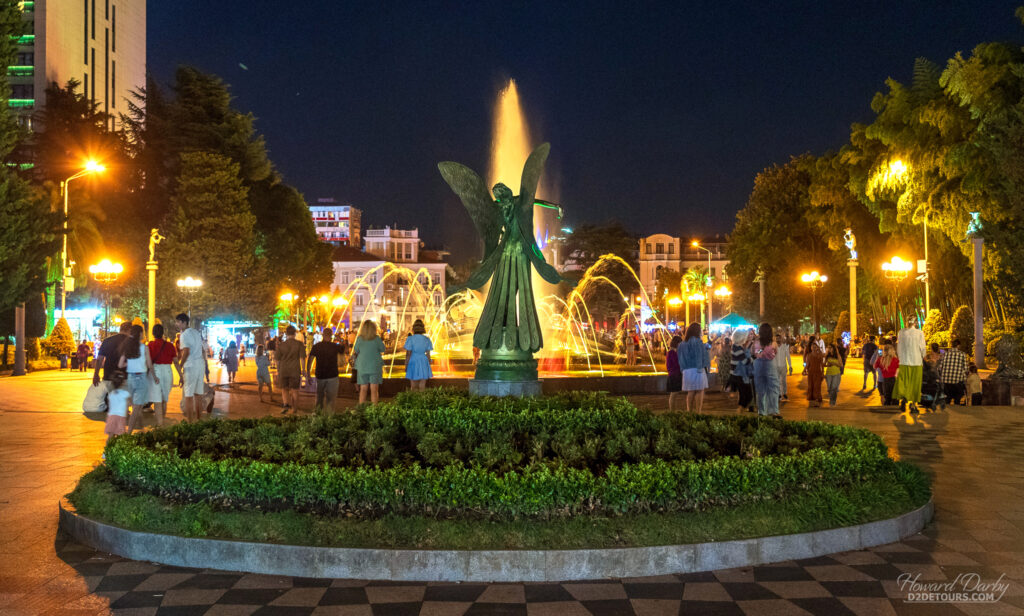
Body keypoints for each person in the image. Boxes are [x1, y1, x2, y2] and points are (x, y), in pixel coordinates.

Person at [118, 324, 156, 433]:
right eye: (142, 332)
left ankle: (141, 426)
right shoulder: (144, 347)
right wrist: (154, 376)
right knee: (136, 407)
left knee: (137, 406)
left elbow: (120, 365)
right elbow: (149, 364)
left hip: (130, 378)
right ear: (139, 334)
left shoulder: (128, 347)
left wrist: (130, 363)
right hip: (141, 378)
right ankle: (128, 432)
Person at [174, 313, 206, 423]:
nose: (176, 324)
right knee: (198, 394)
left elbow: (186, 352)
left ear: (183, 322)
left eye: (178, 322)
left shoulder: (183, 335)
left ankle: (190, 422)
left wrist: (180, 365)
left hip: (191, 366)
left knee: (188, 395)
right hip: (200, 364)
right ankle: (199, 418)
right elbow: (202, 349)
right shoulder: (196, 332)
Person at [893, 315, 926, 413]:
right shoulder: (919, 333)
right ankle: (913, 405)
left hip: (904, 361)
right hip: (916, 362)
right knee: (915, 384)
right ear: (915, 323)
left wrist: (900, 357)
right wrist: (924, 357)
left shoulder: (901, 332)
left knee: (904, 383)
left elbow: (899, 347)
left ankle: (903, 399)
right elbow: (923, 348)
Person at [306, 327, 343, 413]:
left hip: (320, 376)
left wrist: (308, 373)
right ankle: (329, 418)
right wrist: (340, 340)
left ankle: (318, 416)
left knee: (319, 398)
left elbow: (310, 360)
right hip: (332, 375)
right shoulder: (334, 346)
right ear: (331, 335)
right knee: (331, 399)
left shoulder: (317, 346)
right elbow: (343, 350)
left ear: (323, 335)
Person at [147, 324, 176, 427]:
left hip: (155, 370)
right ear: (163, 333)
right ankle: (162, 419)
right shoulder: (170, 345)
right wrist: (181, 375)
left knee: (157, 399)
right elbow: (176, 362)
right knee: (164, 399)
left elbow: (148, 362)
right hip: (167, 371)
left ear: (153, 333)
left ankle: (159, 423)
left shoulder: (150, 345)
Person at [678, 323, 710, 412]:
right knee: (699, 391)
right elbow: (701, 355)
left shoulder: (681, 344)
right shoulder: (698, 342)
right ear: (697, 331)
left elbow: (680, 358)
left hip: (686, 370)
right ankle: (698, 412)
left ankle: (689, 412)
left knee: (690, 392)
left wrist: (683, 369)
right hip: (697, 369)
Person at [352, 320, 386, 404]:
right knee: (374, 389)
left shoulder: (360, 339)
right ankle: (374, 411)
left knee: (363, 389)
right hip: (375, 366)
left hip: (362, 366)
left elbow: (356, 350)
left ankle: (361, 410)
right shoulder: (377, 338)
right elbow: (383, 349)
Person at [276, 325, 306, 414]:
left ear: (286, 333)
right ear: (294, 333)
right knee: (295, 390)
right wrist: (303, 370)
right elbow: (302, 359)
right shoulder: (299, 344)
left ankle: (285, 405)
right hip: (295, 370)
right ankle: (294, 408)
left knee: (284, 389)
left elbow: (277, 360)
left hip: (283, 370)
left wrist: (278, 370)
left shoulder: (281, 345)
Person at [752, 323, 781, 416]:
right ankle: (773, 410)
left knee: (760, 389)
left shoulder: (756, 343)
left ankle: (761, 411)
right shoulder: (773, 343)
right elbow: (775, 353)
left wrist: (761, 352)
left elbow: (753, 353)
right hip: (770, 365)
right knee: (773, 388)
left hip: (758, 365)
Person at [92, 321, 131, 388]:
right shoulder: (131, 342)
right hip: (125, 377)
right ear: (130, 330)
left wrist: (96, 374)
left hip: (109, 376)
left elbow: (99, 359)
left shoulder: (107, 340)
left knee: (110, 396)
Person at [938, 339, 970, 409]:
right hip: (957, 382)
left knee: (947, 398)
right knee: (957, 399)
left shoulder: (944, 354)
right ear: (958, 346)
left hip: (945, 382)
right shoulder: (962, 355)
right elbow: (966, 369)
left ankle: (947, 408)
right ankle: (956, 407)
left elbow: (940, 367)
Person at [404, 319, 434, 391]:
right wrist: (429, 362)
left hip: (413, 360)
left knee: (413, 384)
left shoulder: (410, 339)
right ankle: (421, 400)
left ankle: (414, 399)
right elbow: (428, 354)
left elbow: (408, 354)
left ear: (414, 328)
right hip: (423, 360)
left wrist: (406, 364)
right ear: (422, 328)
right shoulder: (427, 339)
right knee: (422, 384)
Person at [730, 330, 755, 413]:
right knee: (748, 395)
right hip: (739, 375)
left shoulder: (736, 346)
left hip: (737, 375)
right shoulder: (738, 348)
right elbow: (745, 361)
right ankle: (739, 411)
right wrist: (754, 357)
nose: (746, 337)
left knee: (743, 395)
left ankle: (740, 412)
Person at [104, 371, 131, 446]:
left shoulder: (111, 394)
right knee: (121, 435)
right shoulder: (125, 394)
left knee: (111, 436)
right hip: (120, 417)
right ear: (123, 383)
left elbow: (109, 405)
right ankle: (120, 451)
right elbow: (130, 403)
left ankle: (106, 452)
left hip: (111, 417)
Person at [804, 335, 825, 407]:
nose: (813, 347)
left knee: (817, 386)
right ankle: (811, 397)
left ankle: (817, 397)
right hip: (810, 371)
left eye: (815, 346)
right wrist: (804, 368)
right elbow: (806, 362)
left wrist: (823, 372)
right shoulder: (808, 353)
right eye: (812, 346)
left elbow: (822, 364)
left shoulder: (819, 354)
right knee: (811, 385)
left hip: (817, 372)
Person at [666, 335, 683, 411]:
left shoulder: (672, 352)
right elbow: (676, 364)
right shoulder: (672, 352)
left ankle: (673, 410)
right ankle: (672, 411)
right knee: (673, 394)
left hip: (673, 375)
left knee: (674, 394)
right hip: (674, 376)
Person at [774, 334, 792, 402]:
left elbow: (788, 357)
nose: (778, 340)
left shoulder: (785, 347)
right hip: (776, 366)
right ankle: (779, 394)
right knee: (778, 381)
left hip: (783, 366)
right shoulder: (774, 347)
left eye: (779, 338)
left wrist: (790, 366)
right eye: (777, 338)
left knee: (784, 381)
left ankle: (784, 393)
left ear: (781, 339)